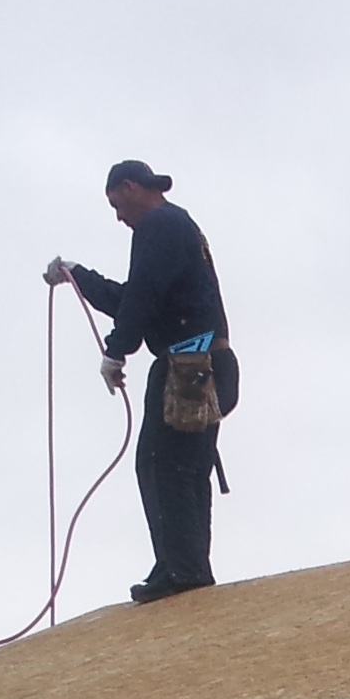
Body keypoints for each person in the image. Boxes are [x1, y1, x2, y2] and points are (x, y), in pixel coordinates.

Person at [46, 160, 238, 604]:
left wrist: (116, 351)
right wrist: (79, 275)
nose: (118, 217)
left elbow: (142, 297)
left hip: (187, 365)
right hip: (210, 363)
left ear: (131, 188)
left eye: (117, 204)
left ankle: (182, 567)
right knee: (187, 468)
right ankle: (185, 562)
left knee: (160, 463)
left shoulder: (158, 224)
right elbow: (136, 297)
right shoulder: (178, 226)